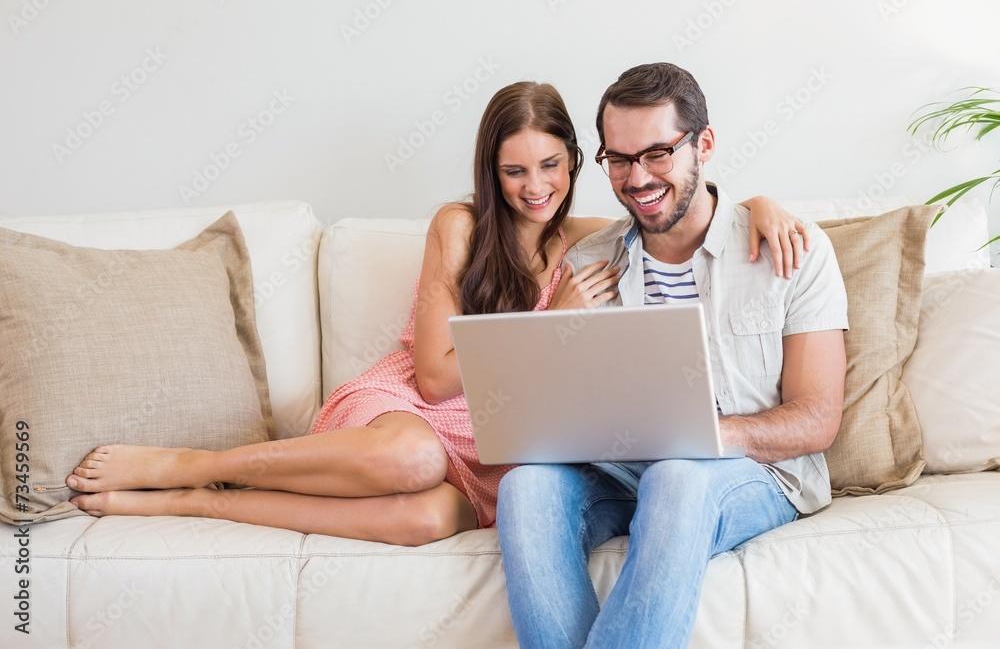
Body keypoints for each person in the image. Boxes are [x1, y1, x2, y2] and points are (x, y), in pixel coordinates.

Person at [65, 81, 810, 547]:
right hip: (416, 413)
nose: (534, 188)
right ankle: (195, 463)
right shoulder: (458, 226)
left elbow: (682, 214)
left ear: (577, 166)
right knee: (414, 460)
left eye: (550, 167)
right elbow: (433, 375)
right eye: (514, 170)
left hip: (498, 448)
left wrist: (757, 207)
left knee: (425, 520)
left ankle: (204, 502)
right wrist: (554, 327)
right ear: (491, 170)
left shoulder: (589, 242)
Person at [495, 63, 849, 648]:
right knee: (524, 487)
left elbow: (818, 419)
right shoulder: (589, 263)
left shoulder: (792, 250)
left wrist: (702, 433)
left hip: (756, 473)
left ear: (703, 144)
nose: (638, 178)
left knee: (677, 476)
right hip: (622, 469)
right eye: (619, 159)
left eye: (657, 153)